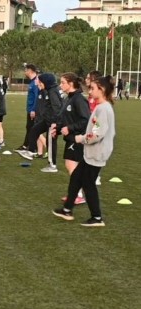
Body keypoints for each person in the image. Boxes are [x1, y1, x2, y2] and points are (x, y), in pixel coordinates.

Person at [53, 75, 116, 227]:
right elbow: (95, 130)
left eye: (93, 88)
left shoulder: (103, 109)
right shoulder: (100, 107)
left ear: (102, 90)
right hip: (92, 153)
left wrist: (79, 138)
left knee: (88, 184)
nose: (90, 91)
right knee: (76, 177)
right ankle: (67, 209)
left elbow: (96, 134)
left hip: (96, 153)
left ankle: (97, 217)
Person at [50, 73, 90, 205]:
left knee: (71, 165)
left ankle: (78, 195)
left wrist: (70, 128)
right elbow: (66, 119)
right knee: (73, 166)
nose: (60, 85)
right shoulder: (69, 98)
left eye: (62, 82)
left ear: (71, 83)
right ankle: (78, 194)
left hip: (77, 138)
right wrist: (58, 128)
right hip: (70, 138)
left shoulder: (79, 99)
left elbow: (86, 120)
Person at [19, 73, 62, 161]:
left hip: (52, 121)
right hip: (46, 119)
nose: (38, 83)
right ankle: (31, 152)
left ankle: (52, 165)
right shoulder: (47, 90)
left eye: (40, 82)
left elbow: (57, 108)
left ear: (46, 82)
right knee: (34, 130)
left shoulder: (52, 91)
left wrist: (55, 122)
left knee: (50, 143)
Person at [17, 64, 39, 152]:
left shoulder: (36, 82)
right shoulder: (32, 81)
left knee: (32, 128)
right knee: (29, 127)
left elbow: (37, 97)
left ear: (30, 71)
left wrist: (33, 109)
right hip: (30, 109)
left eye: (26, 70)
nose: (24, 72)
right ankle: (27, 145)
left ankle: (31, 147)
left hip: (33, 110)